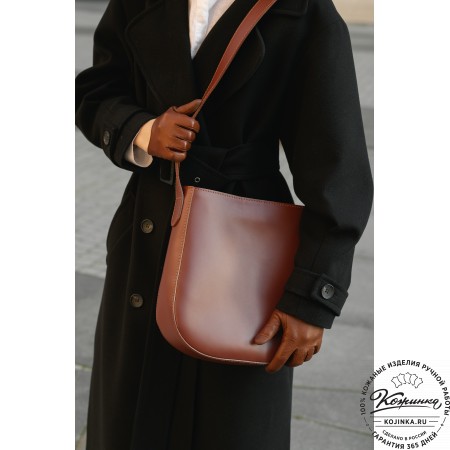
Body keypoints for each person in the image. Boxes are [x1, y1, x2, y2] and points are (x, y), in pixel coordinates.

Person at [75, 0, 374, 448]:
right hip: (147, 241)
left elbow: (339, 169)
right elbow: (96, 90)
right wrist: (143, 130)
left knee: (231, 426)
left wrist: (312, 298)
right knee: (131, 421)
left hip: (246, 261)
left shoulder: (302, 11)